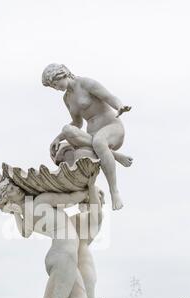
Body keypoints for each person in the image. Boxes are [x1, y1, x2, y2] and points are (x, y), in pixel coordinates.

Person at [42, 63, 133, 210]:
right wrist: (58, 138)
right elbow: (77, 123)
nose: (55, 87)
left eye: (54, 83)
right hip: (93, 135)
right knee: (67, 129)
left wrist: (120, 106)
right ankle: (114, 155)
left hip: (112, 127)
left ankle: (114, 191)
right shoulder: (67, 98)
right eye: (52, 86)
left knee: (99, 141)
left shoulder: (85, 83)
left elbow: (110, 97)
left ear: (62, 74)